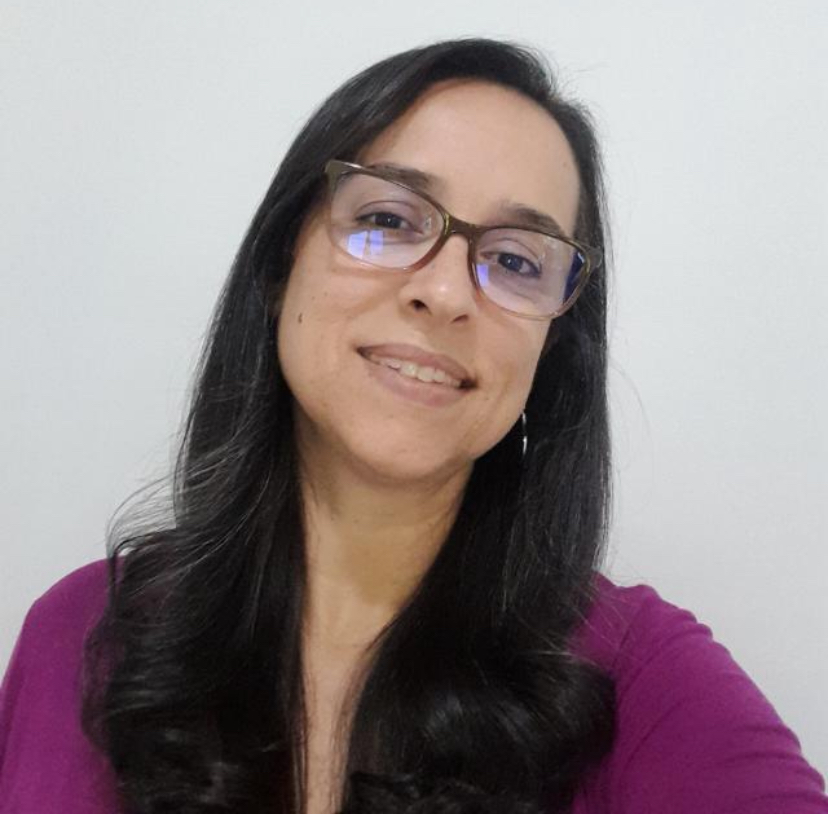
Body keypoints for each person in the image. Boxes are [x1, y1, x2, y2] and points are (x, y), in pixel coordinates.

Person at [1, 37, 826, 814]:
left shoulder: (643, 678)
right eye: (391, 220)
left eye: (516, 260)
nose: (446, 292)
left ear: (550, 346)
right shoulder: (77, 635)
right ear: (281, 262)